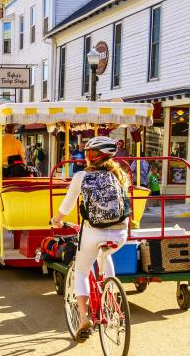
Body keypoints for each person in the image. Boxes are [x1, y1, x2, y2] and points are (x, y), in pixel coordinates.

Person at [51, 136, 131, 341]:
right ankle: (111, 294)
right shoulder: (120, 175)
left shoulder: (81, 176)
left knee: (81, 272)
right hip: (121, 233)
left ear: (91, 156)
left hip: (94, 231)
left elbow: (67, 206)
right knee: (105, 254)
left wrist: (56, 220)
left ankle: (84, 317)